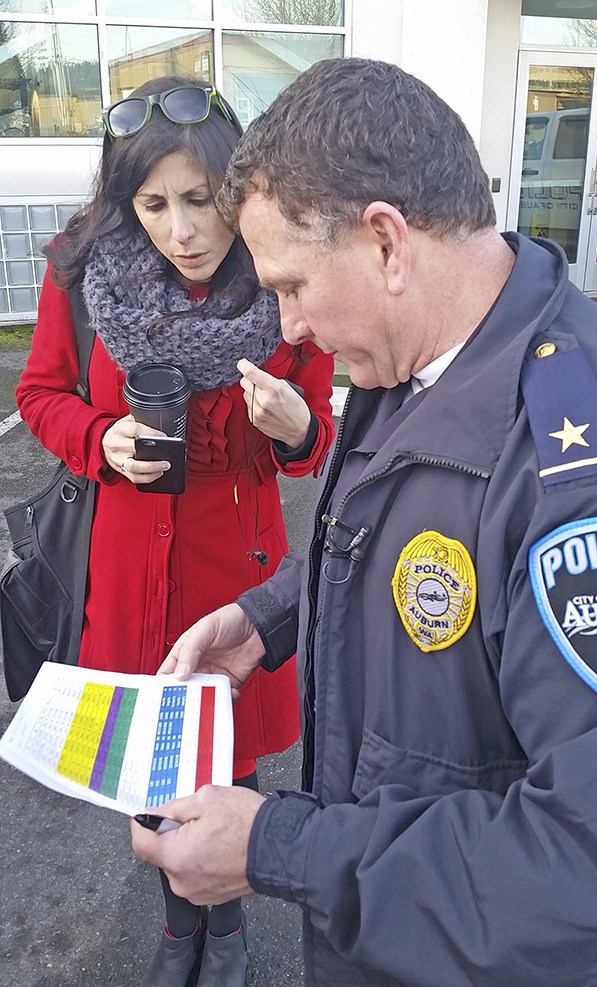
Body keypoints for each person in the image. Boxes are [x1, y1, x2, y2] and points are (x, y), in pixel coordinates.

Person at [130, 56, 597, 987]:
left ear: (388, 243)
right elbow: (392, 530)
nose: (288, 328)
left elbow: (595, 866)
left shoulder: (581, 471)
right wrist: (266, 618)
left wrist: (282, 847)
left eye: (292, 286)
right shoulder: (421, 347)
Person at [16, 74, 335, 987]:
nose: (181, 230)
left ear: (236, 190)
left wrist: (298, 428)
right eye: (153, 203)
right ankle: (174, 922)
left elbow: (319, 444)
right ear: (127, 201)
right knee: (150, 758)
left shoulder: (281, 279)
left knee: (224, 754)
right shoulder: (80, 273)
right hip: (125, 569)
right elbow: (38, 395)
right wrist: (97, 435)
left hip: (237, 573)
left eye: (200, 200)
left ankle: (226, 922)